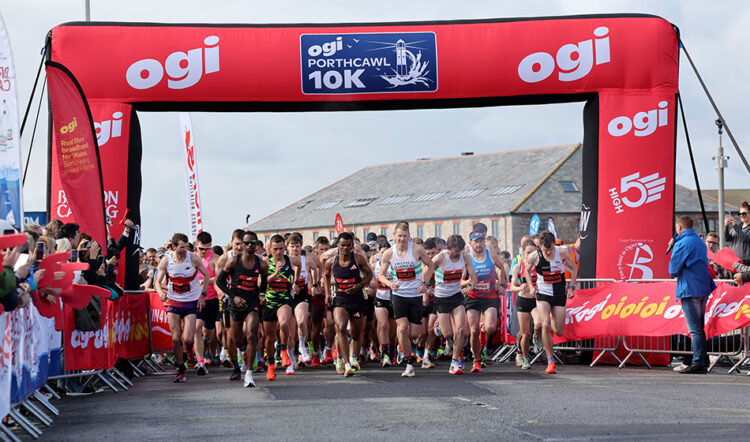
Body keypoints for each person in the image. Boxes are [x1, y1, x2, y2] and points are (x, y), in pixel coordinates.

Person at [378, 221, 435, 377]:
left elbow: (430, 266)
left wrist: (425, 284)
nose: (402, 239)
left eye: (404, 236)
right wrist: (390, 283)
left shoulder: (417, 249)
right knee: (402, 328)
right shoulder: (389, 253)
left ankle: (406, 346)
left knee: (415, 333)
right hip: (399, 295)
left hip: (415, 294)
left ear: (409, 236)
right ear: (394, 236)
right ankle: (409, 364)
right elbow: (381, 275)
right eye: (399, 236)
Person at [154, 233, 211, 383]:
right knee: (175, 337)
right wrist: (160, 293)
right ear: (174, 247)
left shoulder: (193, 258)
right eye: (181, 247)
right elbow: (157, 282)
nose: (185, 250)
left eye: (186, 247)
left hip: (191, 301)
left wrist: (203, 295)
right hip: (173, 301)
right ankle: (180, 370)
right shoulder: (166, 261)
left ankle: (189, 354)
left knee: (188, 338)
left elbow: (206, 275)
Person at [216, 230, 268, 387]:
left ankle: (249, 374)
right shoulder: (233, 261)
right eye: (247, 243)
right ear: (242, 245)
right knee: (236, 340)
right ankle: (239, 358)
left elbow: (264, 284)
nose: (250, 245)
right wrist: (234, 297)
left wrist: (262, 295)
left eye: (253, 243)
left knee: (253, 334)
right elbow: (220, 282)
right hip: (235, 302)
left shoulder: (262, 264)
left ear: (257, 245)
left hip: (252, 303)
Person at [524, 231, 577, 375]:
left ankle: (548, 328)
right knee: (545, 324)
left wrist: (571, 287)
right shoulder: (534, 256)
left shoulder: (562, 252)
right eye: (546, 249)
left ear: (554, 244)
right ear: (539, 246)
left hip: (559, 293)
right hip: (543, 293)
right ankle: (550, 361)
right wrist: (531, 287)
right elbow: (527, 272)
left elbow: (574, 268)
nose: (549, 251)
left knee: (559, 330)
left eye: (551, 248)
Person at [668, 216, 717, 374]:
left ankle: (698, 362)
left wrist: (673, 246)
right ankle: (702, 360)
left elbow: (673, 270)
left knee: (695, 329)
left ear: (679, 227)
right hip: (702, 288)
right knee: (699, 328)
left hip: (689, 288)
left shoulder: (681, 243)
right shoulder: (699, 242)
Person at [324, 232, 373, 376]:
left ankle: (350, 356)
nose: (345, 248)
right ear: (338, 245)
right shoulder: (331, 262)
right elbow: (326, 276)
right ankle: (345, 363)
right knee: (341, 327)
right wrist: (327, 293)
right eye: (342, 245)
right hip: (340, 299)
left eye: (348, 245)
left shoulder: (358, 259)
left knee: (356, 334)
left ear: (352, 246)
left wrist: (359, 286)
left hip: (357, 299)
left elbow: (369, 275)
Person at [432, 234, 476, 375]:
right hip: (441, 297)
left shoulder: (464, 256)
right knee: (448, 333)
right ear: (448, 248)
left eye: (459, 251)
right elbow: (426, 269)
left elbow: (473, 276)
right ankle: (441, 329)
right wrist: (426, 285)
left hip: (456, 296)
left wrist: (471, 287)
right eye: (455, 251)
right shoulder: (440, 257)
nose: (457, 254)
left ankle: (455, 363)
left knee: (461, 330)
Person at [465, 223, 506, 373]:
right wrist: (465, 285)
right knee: (474, 331)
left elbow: (501, 267)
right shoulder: (467, 256)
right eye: (476, 241)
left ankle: (484, 326)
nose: (479, 244)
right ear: (471, 243)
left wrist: (501, 284)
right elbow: (461, 279)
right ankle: (476, 361)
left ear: (484, 242)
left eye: (481, 241)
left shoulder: (491, 253)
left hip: (489, 296)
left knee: (490, 328)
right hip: (473, 296)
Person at [262, 235, 302, 379]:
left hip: (284, 299)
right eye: (275, 249)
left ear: (285, 248)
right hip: (269, 302)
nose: (278, 252)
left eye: (281, 249)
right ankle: (271, 366)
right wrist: (275, 274)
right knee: (269, 337)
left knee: (285, 323)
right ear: (270, 249)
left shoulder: (291, 260)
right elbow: (261, 282)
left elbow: (299, 265)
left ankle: (284, 350)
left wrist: (295, 282)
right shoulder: (265, 262)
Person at [510, 239, 542, 370]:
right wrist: (519, 288)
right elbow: (512, 286)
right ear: (523, 252)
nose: (530, 255)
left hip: (535, 300)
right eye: (528, 252)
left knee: (539, 324)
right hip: (523, 300)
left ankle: (536, 338)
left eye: (533, 252)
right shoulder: (518, 266)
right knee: (525, 333)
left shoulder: (539, 265)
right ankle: (525, 358)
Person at [193, 231, 220, 376]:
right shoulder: (191, 258)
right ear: (196, 245)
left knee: (208, 332)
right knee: (197, 328)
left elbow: (219, 279)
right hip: (196, 299)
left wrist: (205, 281)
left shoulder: (216, 259)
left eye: (207, 248)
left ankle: (203, 347)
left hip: (211, 298)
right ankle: (201, 362)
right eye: (201, 248)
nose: (204, 252)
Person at [371, 237, 396, 367]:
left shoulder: (395, 265)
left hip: (393, 299)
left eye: (387, 252)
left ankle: (392, 347)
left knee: (392, 330)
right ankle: (384, 353)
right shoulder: (374, 266)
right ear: (378, 253)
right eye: (382, 253)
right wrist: (369, 287)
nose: (385, 255)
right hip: (380, 298)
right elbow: (368, 279)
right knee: (383, 324)